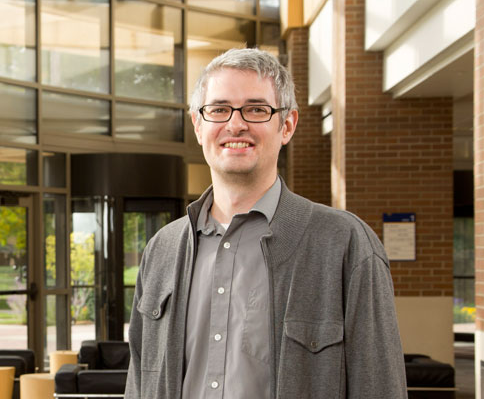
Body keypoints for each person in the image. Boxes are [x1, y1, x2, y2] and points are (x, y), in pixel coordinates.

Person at [125, 48, 407, 398]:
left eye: (257, 109)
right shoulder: (162, 250)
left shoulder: (346, 244)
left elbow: (380, 388)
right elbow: (139, 384)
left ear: (286, 125)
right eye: (219, 109)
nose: (236, 124)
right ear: (199, 126)